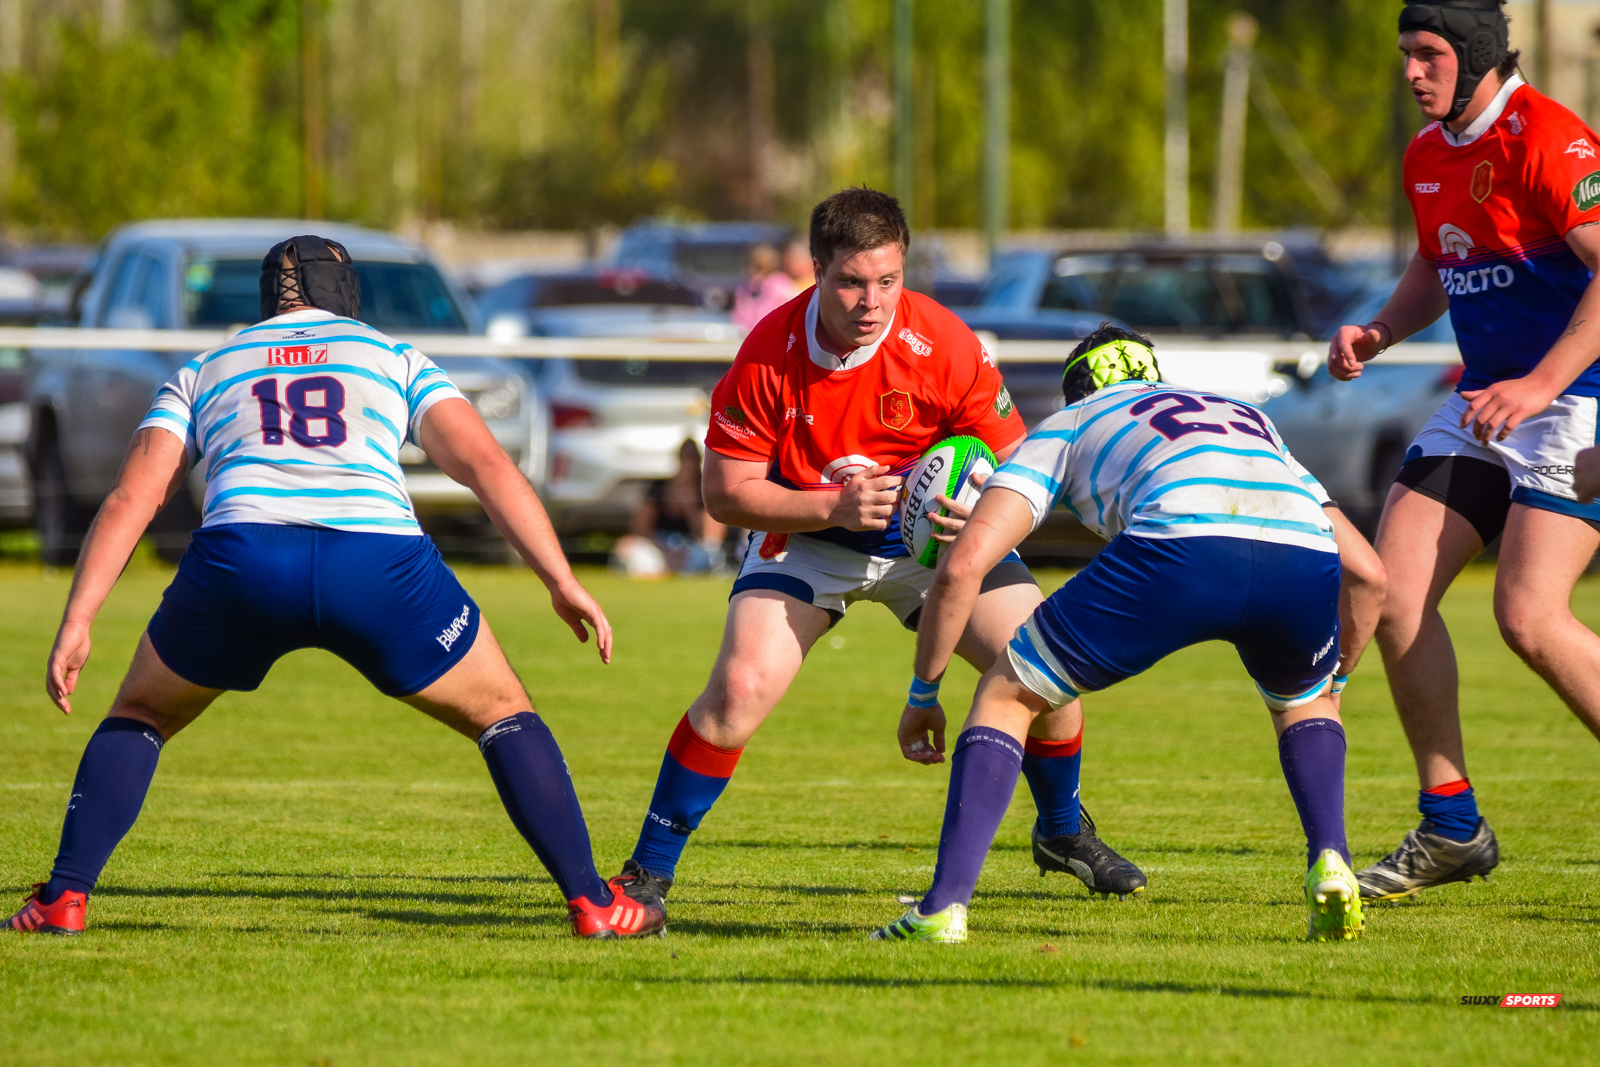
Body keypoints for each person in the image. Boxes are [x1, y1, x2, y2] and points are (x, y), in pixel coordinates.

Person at [7, 236, 663, 940]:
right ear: (347, 292)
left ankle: (63, 897)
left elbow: (132, 496)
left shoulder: (207, 366)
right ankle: (593, 902)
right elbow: (486, 465)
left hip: (243, 559)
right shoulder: (392, 356)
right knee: (502, 711)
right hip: (377, 564)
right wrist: (560, 579)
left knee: (139, 711)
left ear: (267, 296)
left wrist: (79, 617)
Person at [608, 188, 1146, 918]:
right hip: (808, 541)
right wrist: (830, 505)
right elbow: (725, 493)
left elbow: (1021, 455)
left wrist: (977, 506)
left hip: (928, 545)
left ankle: (1061, 833)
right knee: (738, 691)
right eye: (852, 282)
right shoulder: (768, 352)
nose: (872, 300)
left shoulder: (943, 340)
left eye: (888, 280)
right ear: (817, 272)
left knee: (1044, 659)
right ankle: (648, 871)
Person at [873, 326, 1365, 944]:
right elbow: (1370, 575)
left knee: (1007, 694)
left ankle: (942, 910)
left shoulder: (1070, 421)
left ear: (1074, 388)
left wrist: (923, 694)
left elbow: (965, 568)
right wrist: (1336, 682)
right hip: (1299, 554)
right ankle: (1333, 861)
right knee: (1303, 704)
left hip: (1179, 549)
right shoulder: (1244, 418)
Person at [1328, 0, 1600, 902]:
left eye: (1428, 53)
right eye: (1405, 54)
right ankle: (1451, 823)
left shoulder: (1549, 138)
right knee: (1390, 590)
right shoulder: (1427, 156)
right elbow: (1434, 265)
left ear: (1476, 54)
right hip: (1486, 402)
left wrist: (1543, 385)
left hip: (1576, 402)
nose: (1411, 71)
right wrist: (1379, 328)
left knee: (1528, 617)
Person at [730, 243, 802, 330]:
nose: (752, 273)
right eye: (751, 268)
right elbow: (737, 317)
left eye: (759, 269)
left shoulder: (781, 287)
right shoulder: (744, 289)